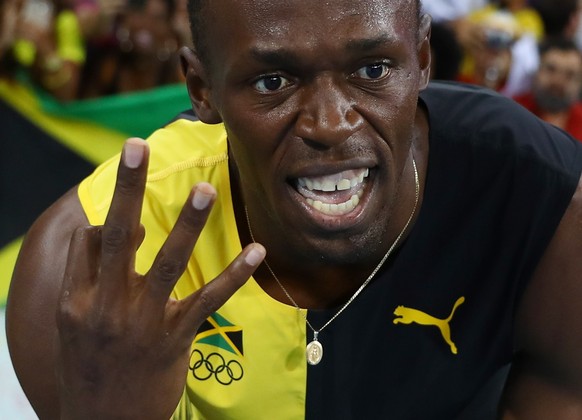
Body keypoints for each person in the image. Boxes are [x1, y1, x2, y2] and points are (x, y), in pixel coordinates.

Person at [6, 0, 582, 418]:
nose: (331, 125)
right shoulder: (79, 277)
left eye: (373, 70)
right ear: (201, 89)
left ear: (423, 58)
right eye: (273, 81)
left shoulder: (541, 199)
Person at [513, 36, 582, 141]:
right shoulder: (513, 110)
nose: (558, 81)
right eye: (551, 69)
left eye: (570, 75)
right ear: (536, 70)